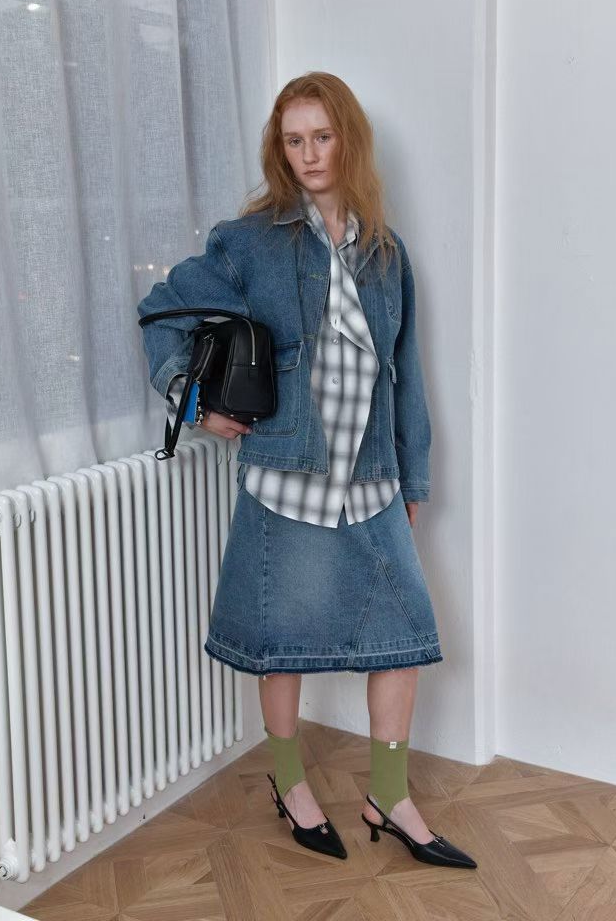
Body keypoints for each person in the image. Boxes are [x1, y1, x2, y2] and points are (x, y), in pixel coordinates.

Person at [137, 71, 477, 869]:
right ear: (280, 150)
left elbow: (403, 375)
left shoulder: (386, 254)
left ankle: (388, 797)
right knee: (277, 642)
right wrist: (193, 402)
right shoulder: (250, 241)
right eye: (294, 141)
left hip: (371, 478)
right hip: (285, 475)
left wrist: (412, 478)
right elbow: (162, 309)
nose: (309, 154)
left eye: (322, 136)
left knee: (402, 637)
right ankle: (289, 783)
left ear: (348, 140)